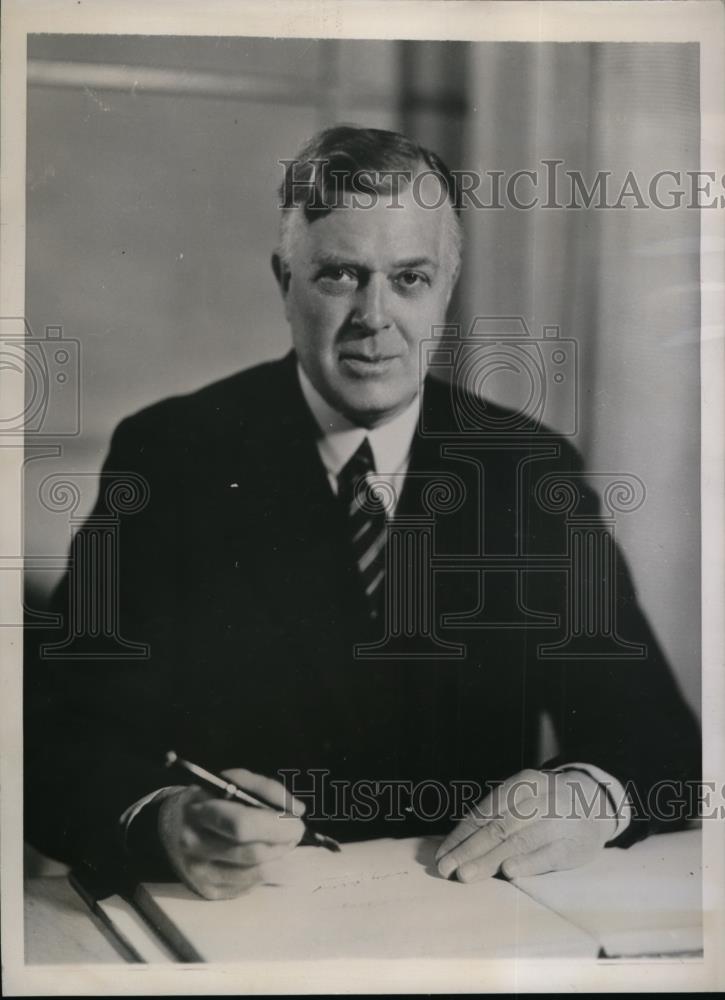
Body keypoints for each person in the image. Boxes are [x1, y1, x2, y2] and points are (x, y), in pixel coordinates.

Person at [25, 126, 700, 901]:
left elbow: (660, 742)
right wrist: (162, 817)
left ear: (447, 287)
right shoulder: (171, 456)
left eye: (409, 279)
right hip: (246, 918)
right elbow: (53, 735)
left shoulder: (527, 469)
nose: (374, 316)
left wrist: (589, 792)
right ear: (285, 281)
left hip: (471, 915)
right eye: (340, 276)